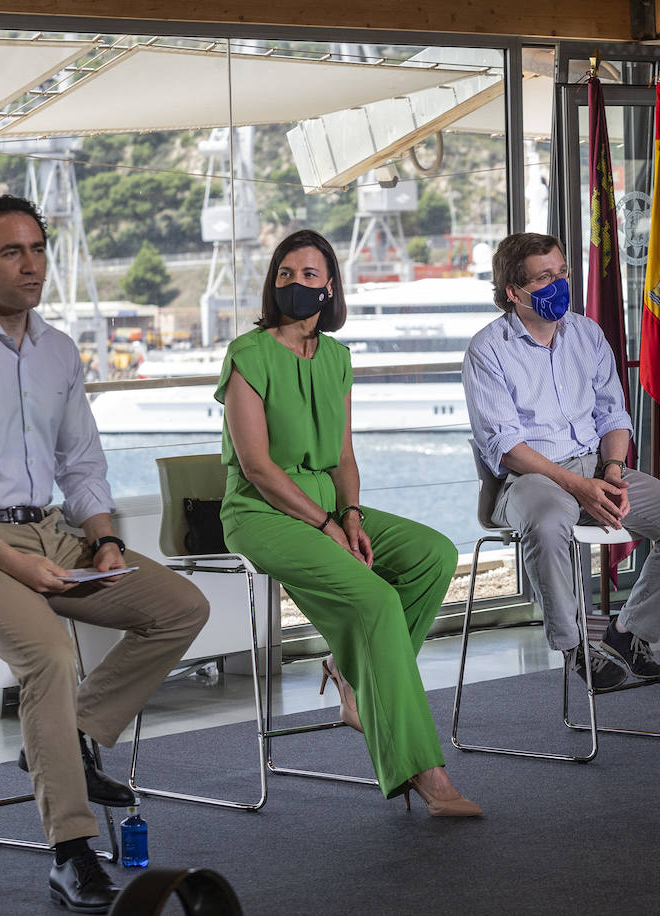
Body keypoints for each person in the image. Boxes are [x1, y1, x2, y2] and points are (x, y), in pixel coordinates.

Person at [0, 195, 210, 914]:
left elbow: (81, 463)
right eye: (12, 252)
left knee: (179, 607)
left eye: (38, 249)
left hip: (49, 530)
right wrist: (19, 567)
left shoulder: (58, 351)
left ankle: (72, 734)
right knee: (48, 655)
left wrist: (103, 540)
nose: (31, 265)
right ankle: (71, 854)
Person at [216, 229, 478, 817]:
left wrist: (351, 515)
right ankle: (424, 770)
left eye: (309, 274)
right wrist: (326, 526)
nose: (295, 283)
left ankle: (351, 674)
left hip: (326, 506)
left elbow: (344, 458)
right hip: (260, 512)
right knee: (377, 600)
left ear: (330, 287)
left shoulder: (337, 359)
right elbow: (257, 468)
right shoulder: (247, 355)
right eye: (285, 274)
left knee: (433, 555)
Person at [463, 232, 660, 690]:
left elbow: (613, 415)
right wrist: (578, 487)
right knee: (547, 520)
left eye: (562, 272)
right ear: (513, 292)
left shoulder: (586, 333)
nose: (559, 284)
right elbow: (507, 447)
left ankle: (628, 634)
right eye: (543, 278)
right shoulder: (487, 349)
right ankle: (575, 647)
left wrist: (612, 471)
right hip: (530, 478)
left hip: (596, 467)